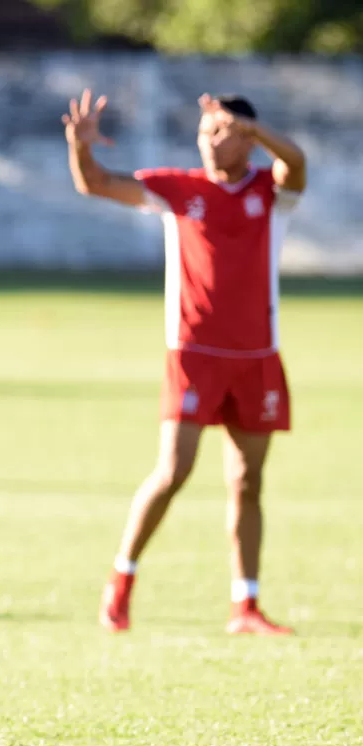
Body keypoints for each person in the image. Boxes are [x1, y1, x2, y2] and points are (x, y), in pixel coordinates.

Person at [63, 88, 307, 635]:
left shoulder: (272, 192)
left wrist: (249, 125)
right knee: (174, 471)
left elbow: (297, 162)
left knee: (248, 481)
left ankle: (245, 605)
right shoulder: (179, 190)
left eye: (219, 132)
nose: (208, 144)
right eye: (203, 134)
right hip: (194, 354)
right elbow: (95, 183)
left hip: (256, 357)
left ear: (246, 137)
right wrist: (80, 149)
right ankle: (120, 581)